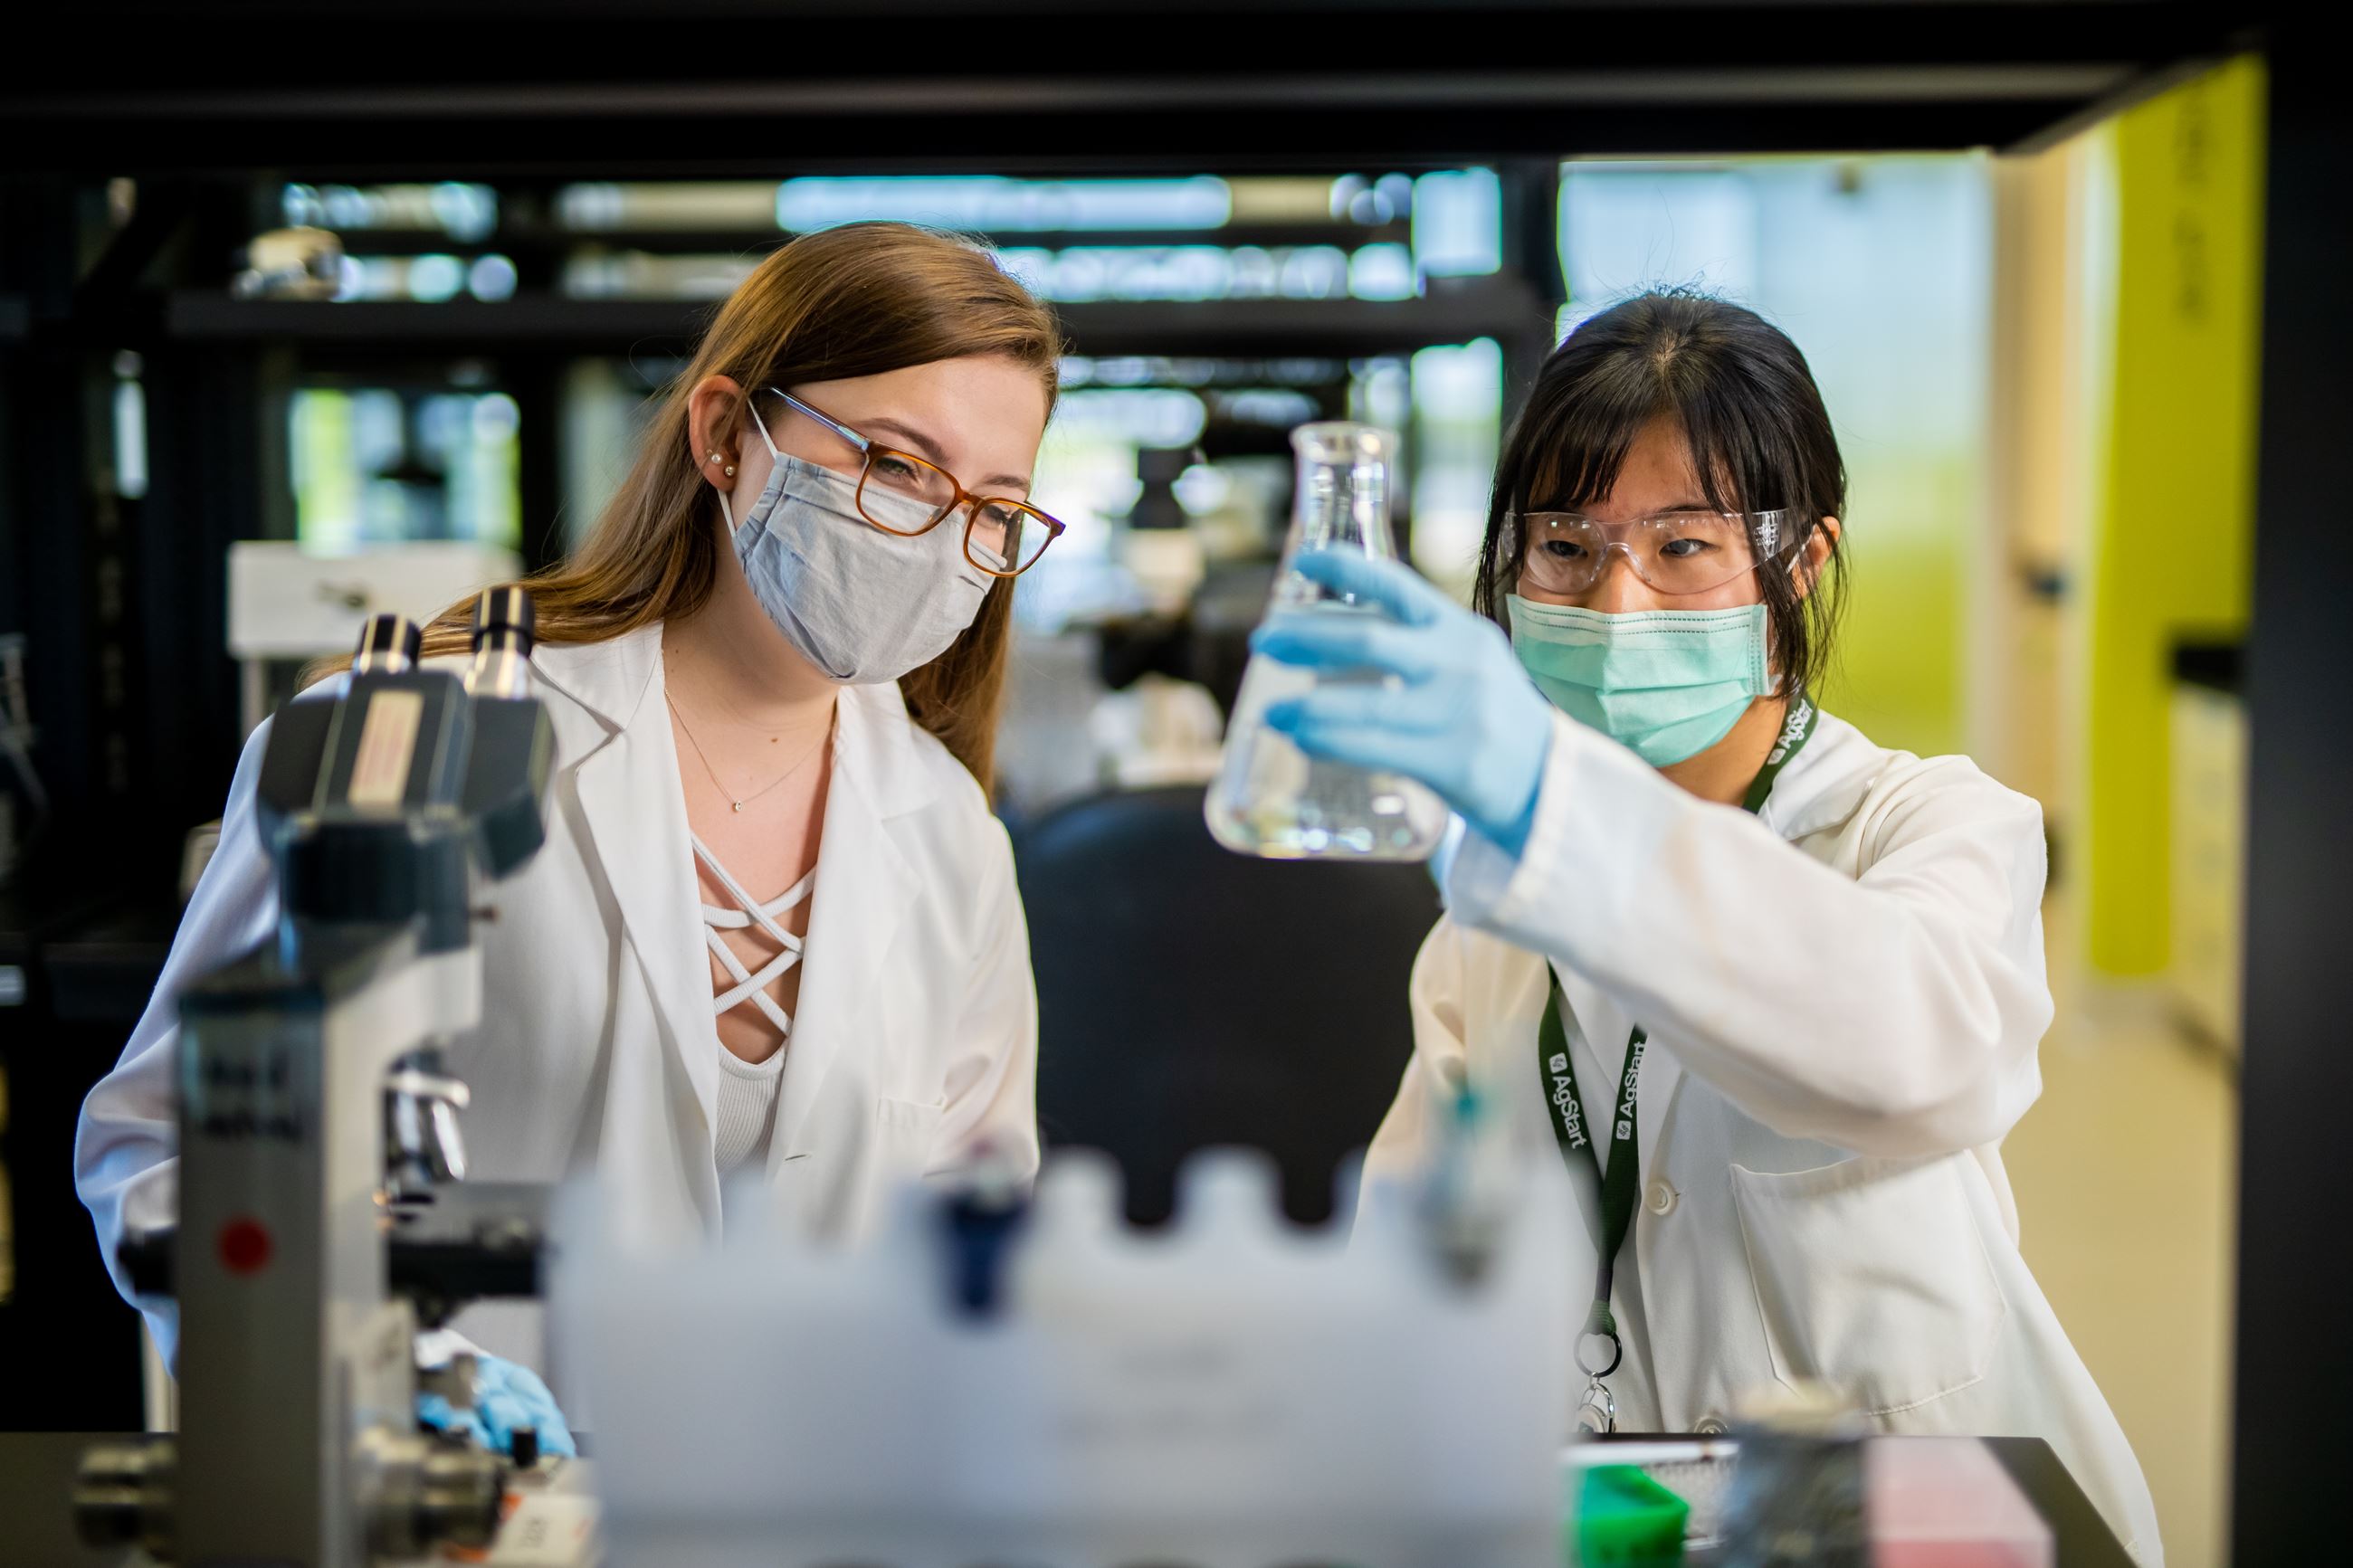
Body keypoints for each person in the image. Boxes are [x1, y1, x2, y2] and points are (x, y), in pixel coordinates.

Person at [75, 223, 1063, 1451]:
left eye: (993, 506)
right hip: (457, 1511)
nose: (938, 531)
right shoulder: (405, 740)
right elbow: (167, 1152)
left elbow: (977, 1236)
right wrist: (357, 1376)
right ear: (724, 436)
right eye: (900, 466)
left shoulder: (950, 838)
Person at [1253, 292, 2162, 1563]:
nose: (1615, 605)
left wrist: (1548, 798)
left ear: (1804, 562)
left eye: (1684, 547)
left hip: (1910, 1512)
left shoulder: (1932, 826)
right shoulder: (1493, 914)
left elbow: (1921, 1055)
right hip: (1600, 1514)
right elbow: (1410, 1262)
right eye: (1565, 545)